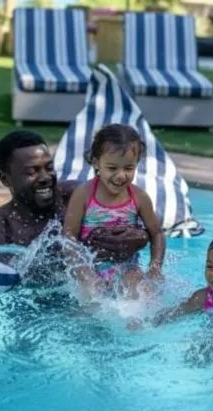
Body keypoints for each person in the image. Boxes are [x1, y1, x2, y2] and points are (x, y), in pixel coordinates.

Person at [0, 130, 149, 275]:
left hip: (101, 292)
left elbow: (135, 219)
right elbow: (12, 280)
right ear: (6, 179)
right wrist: (77, 251)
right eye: (31, 172)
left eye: (49, 168)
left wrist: (140, 237)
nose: (45, 177)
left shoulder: (76, 195)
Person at [62, 123, 165, 298]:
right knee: (91, 294)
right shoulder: (84, 195)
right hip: (91, 264)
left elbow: (157, 233)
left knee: (138, 294)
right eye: (112, 168)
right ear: (96, 163)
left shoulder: (139, 198)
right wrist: (82, 267)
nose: (120, 175)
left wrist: (155, 267)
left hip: (127, 267)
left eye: (128, 168)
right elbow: (68, 236)